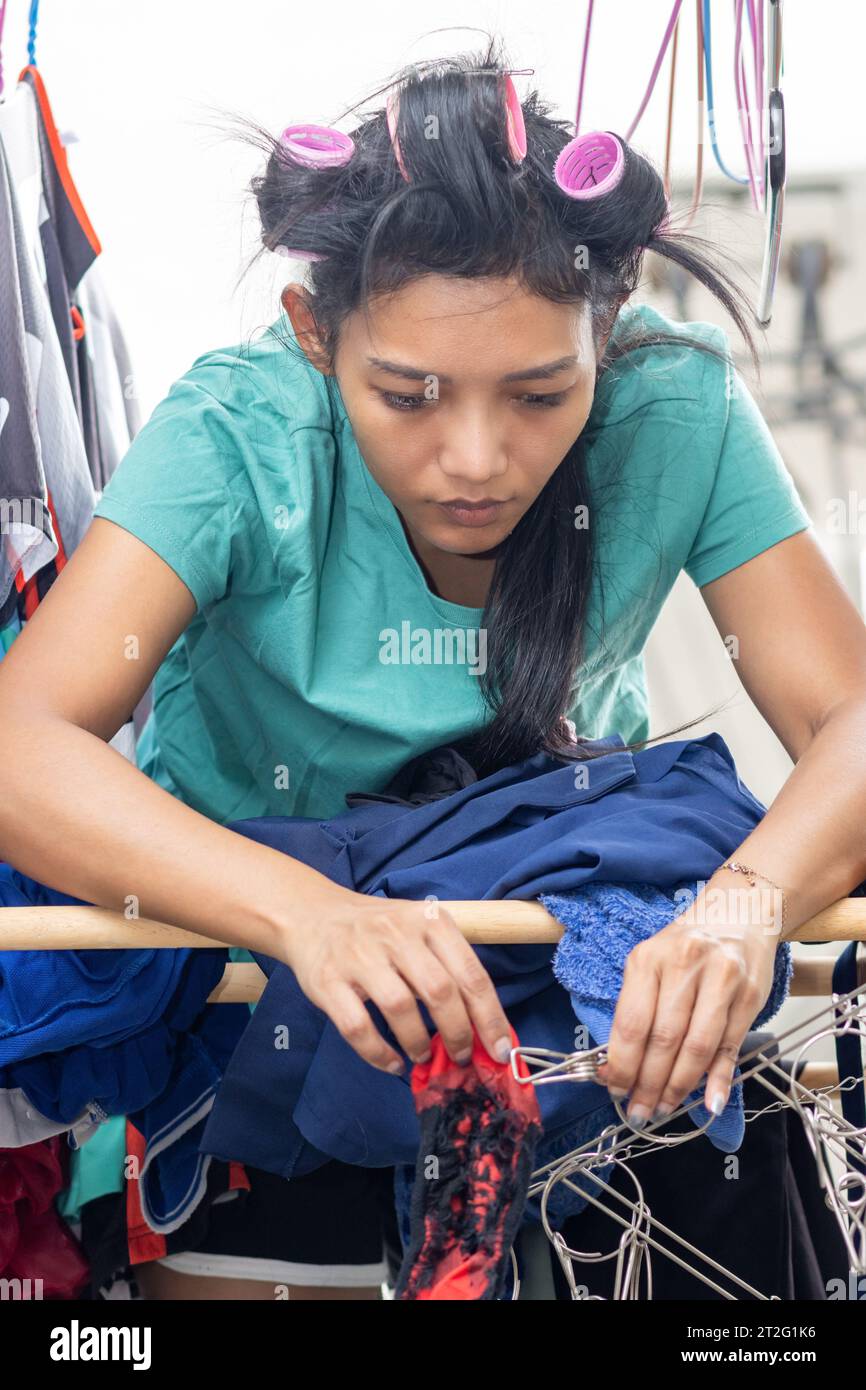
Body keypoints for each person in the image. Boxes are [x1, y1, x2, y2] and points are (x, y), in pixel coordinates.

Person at [3, 40, 866, 1302]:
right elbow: (24, 747)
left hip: (559, 1027)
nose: (475, 458)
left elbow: (847, 716)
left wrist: (741, 909)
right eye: (406, 394)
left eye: (537, 394)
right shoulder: (239, 432)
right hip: (255, 1001)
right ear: (313, 333)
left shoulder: (675, 414)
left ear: (608, 329)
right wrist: (309, 911)